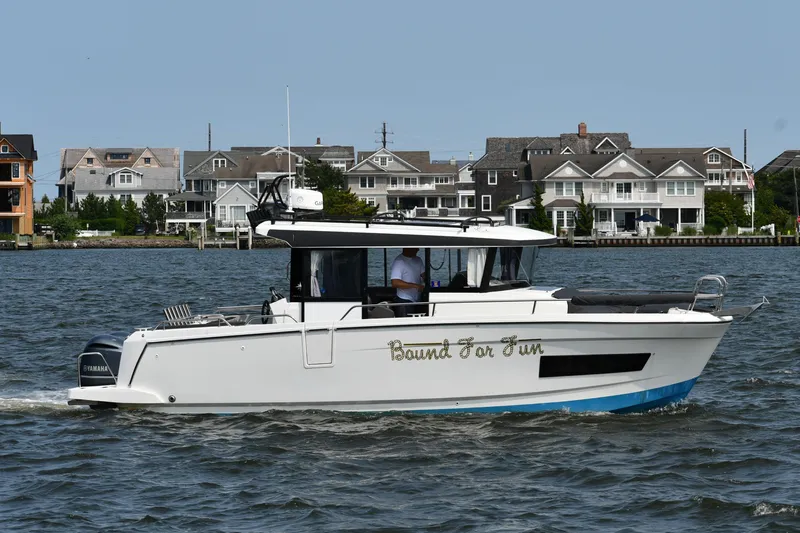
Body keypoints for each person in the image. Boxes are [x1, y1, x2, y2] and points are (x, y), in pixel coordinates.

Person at [390, 248, 425, 317]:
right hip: (404, 301)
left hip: (417, 300)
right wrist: (416, 286)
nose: (418, 249)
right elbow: (395, 282)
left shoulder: (418, 260)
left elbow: (424, 275)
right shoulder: (399, 262)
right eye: (415, 248)